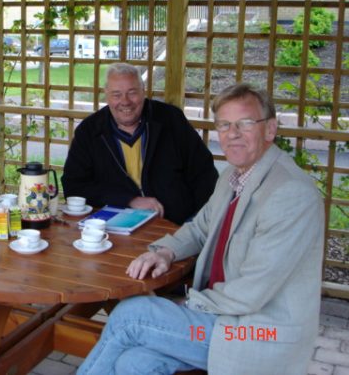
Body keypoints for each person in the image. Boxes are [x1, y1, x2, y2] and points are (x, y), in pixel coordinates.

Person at [77, 83, 324, 375]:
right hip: (222, 321)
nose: (233, 134)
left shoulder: (290, 193)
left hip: (257, 332)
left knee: (132, 316)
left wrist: (189, 304)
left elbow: (250, 291)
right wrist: (165, 252)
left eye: (245, 123)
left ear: (270, 129)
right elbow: (200, 228)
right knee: (133, 362)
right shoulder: (234, 176)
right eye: (224, 125)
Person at [62, 62, 218, 225]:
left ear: (144, 92)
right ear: (106, 95)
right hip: (114, 227)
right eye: (116, 94)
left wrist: (197, 221)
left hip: (176, 224)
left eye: (132, 92)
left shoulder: (171, 119)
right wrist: (129, 200)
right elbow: (74, 187)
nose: (125, 101)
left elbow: (204, 174)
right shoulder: (89, 131)